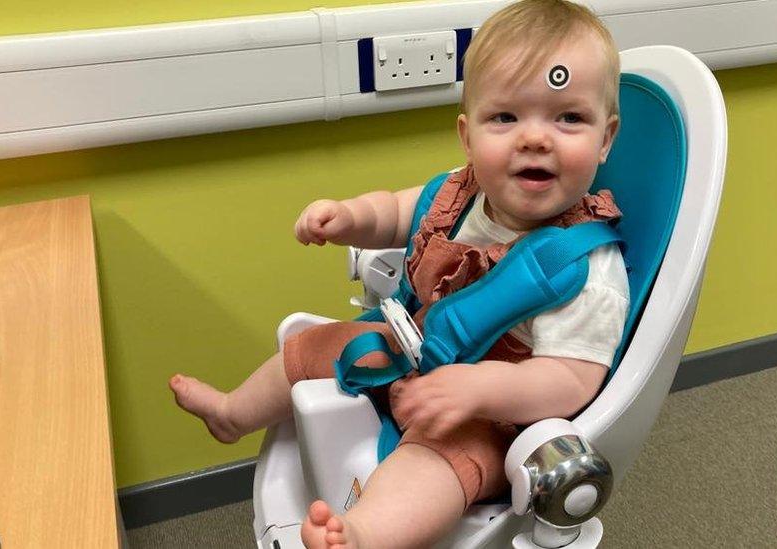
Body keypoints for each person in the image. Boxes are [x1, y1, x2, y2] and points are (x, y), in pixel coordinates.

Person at [170, 1, 628, 547]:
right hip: (413, 344)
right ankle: (231, 414)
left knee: (438, 464)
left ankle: (361, 535)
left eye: (568, 118)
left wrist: (478, 390)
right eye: (505, 117)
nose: (535, 138)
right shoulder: (461, 194)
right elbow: (395, 210)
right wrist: (349, 218)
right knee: (316, 343)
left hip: (493, 417)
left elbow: (571, 379)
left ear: (605, 138)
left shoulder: (583, 269)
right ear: (468, 136)